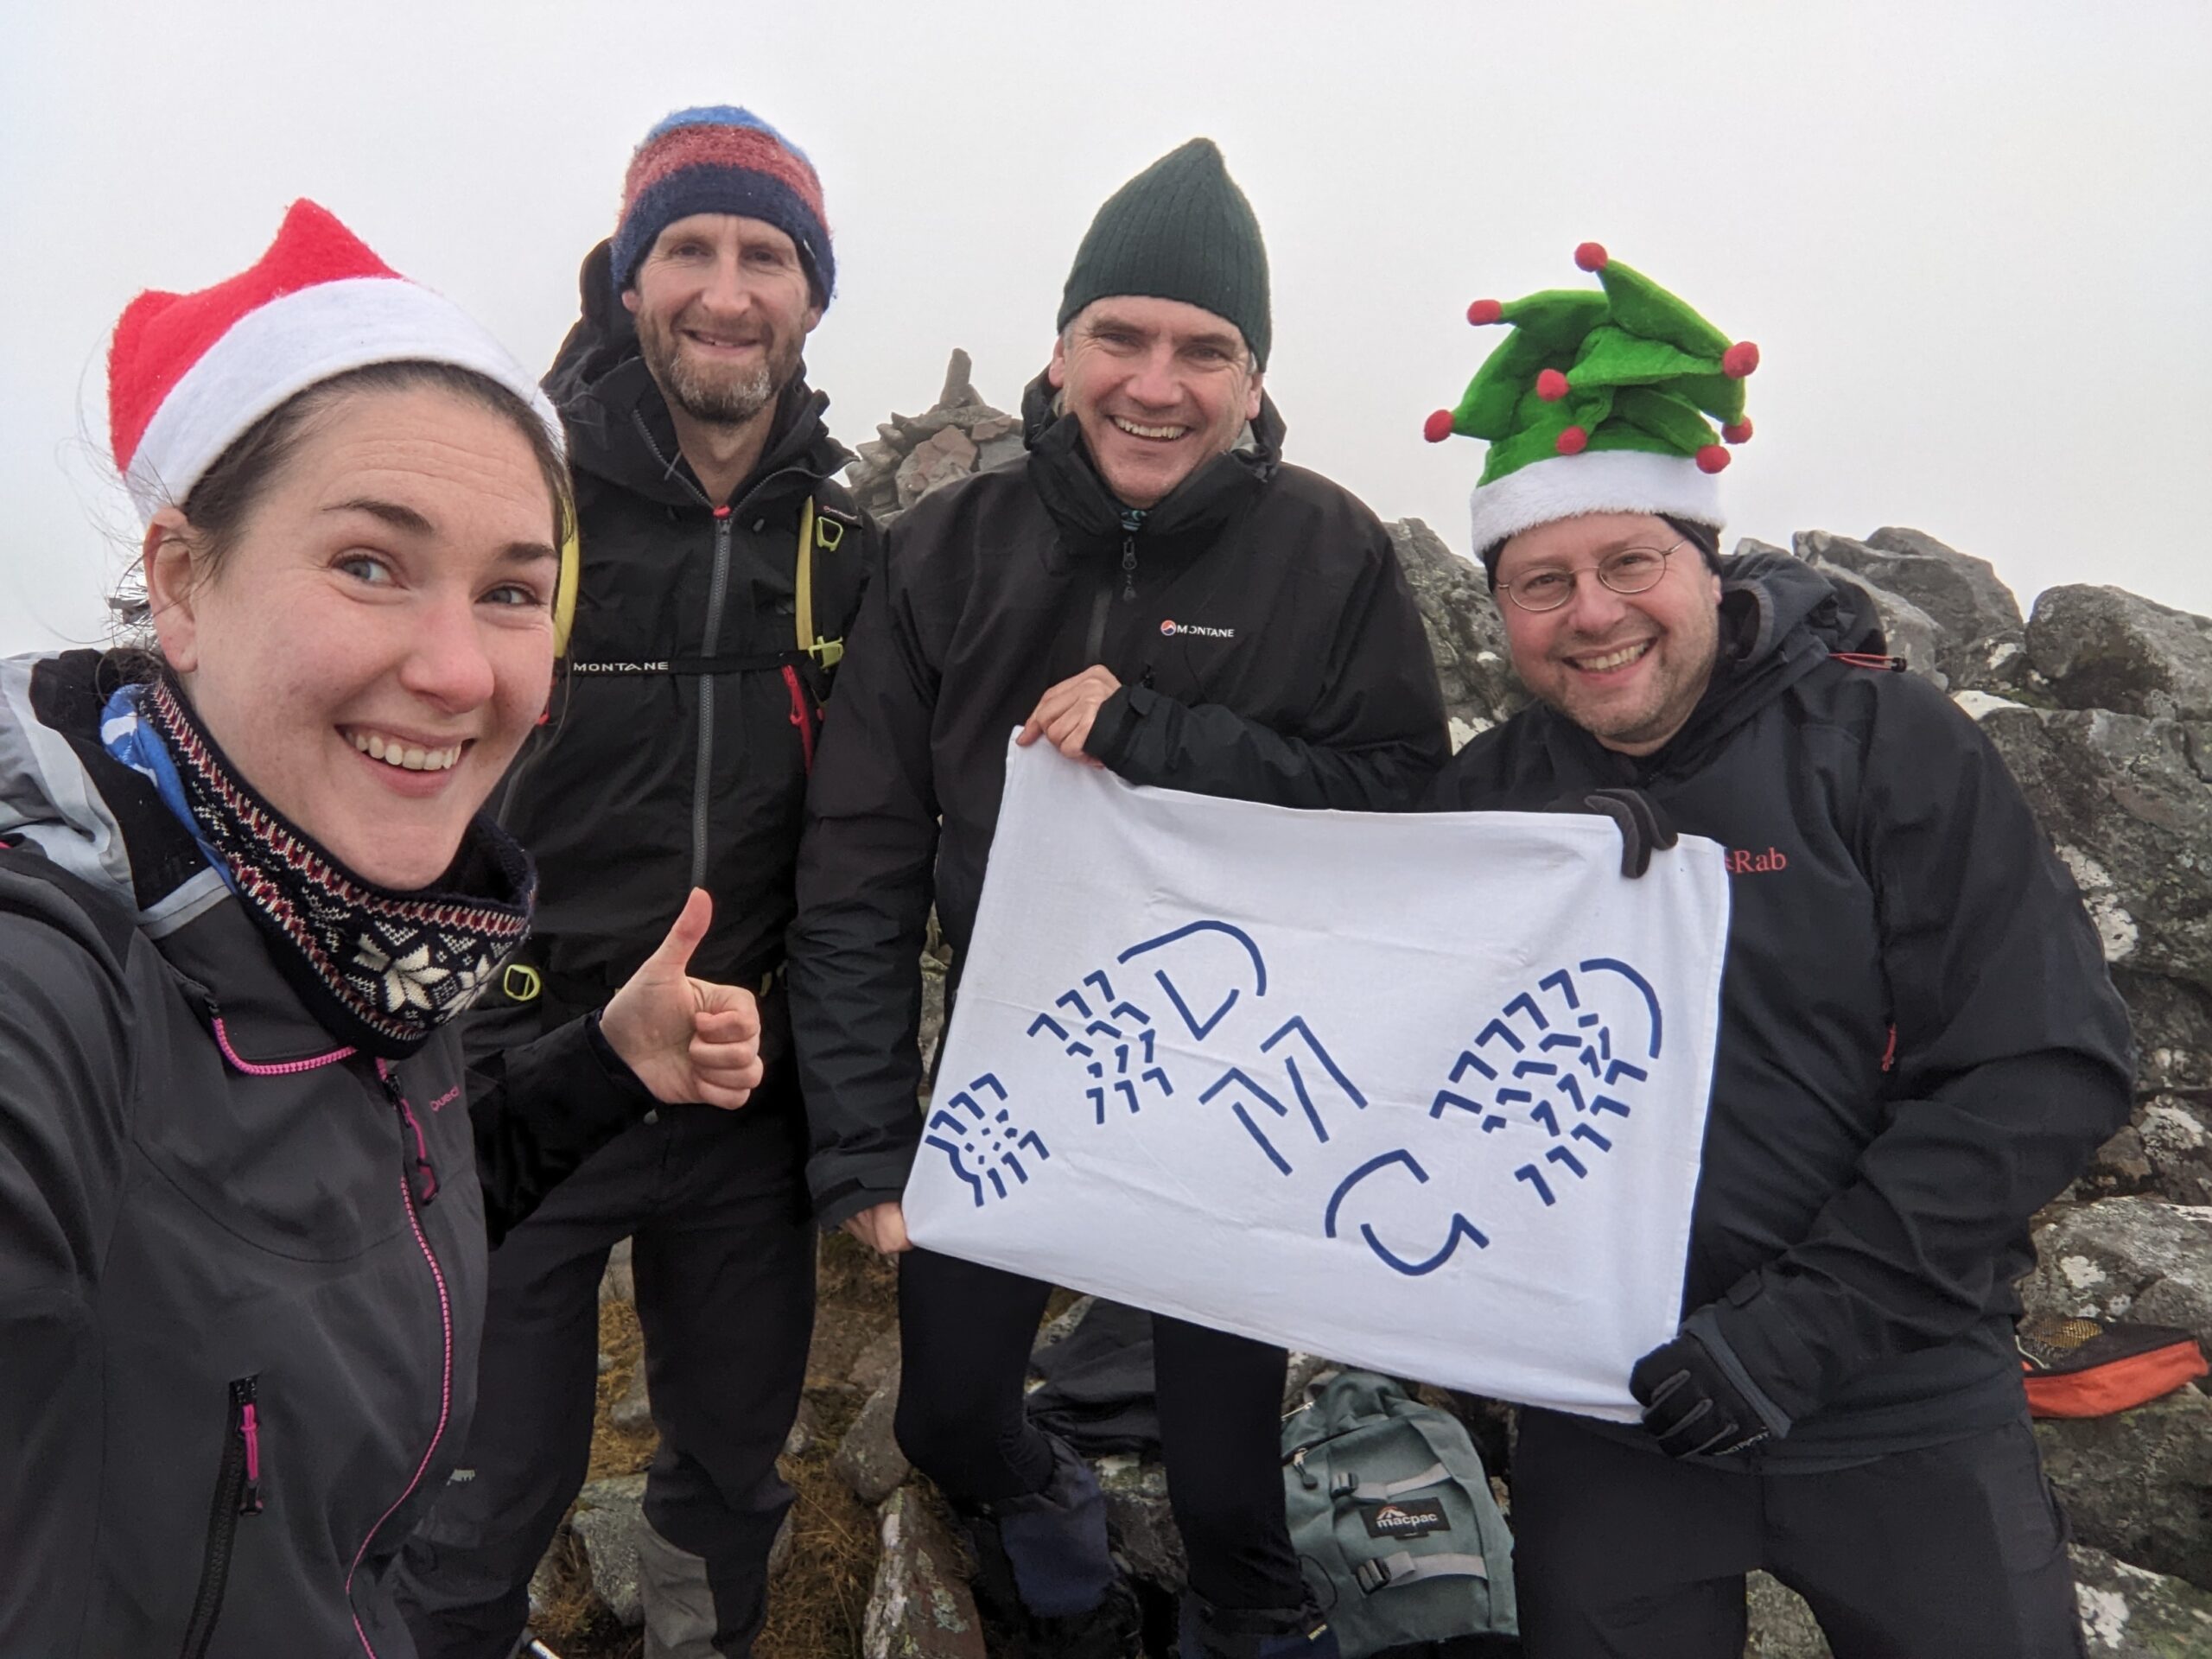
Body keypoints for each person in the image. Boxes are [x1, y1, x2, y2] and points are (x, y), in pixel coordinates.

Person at [0, 200, 766, 1658]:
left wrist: (606, 1062)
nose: (458, 667)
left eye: (511, 592)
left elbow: (367, 1191)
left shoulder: (351, 932)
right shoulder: (64, 957)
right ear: (180, 582)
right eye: (369, 563)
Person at [1420, 244, 2132, 1657]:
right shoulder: (1496, 796)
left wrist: (1795, 1335)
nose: (1596, 613)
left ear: (1707, 560)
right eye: (1543, 581)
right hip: (1608, 1408)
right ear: (1500, 607)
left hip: (1899, 1396)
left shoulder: (1883, 745)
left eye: (1631, 562)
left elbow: (2044, 1066)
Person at [788, 138, 1450, 1659]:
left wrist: (1165, 734)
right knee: (950, 1417)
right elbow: (863, 861)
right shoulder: (946, 551)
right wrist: (867, 1137)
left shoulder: (1329, 550)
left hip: (1237, 1083)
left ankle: (1251, 1624)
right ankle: (1067, 1564)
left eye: (1204, 350)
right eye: (1123, 338)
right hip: (1018, 1063)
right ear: (1063, 347)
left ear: (1253, 376)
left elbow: (1403, 803)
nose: (1158, 383)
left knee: (1226, 1483)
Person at [392, 107, 875, 1659]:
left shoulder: (850, 544)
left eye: (765, 255)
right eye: (689, 249)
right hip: (515, 1083)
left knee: (731, 1472)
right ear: (627, 282)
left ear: (812, 297)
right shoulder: (518, 506)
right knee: (482, 1490)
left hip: (746, 1091)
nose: (726, 289)